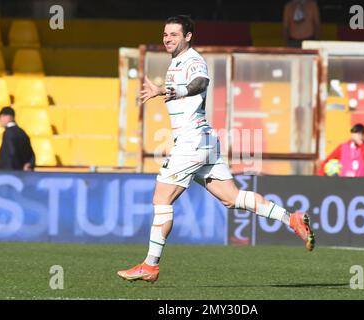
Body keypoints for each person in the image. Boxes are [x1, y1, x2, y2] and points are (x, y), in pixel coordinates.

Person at [117, 15, 315, 284]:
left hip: (191, 141)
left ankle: (150, 265)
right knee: (232, 198)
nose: (167, 38)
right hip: (204, 140)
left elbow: (201, 82)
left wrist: (167, 90)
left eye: (174, 34)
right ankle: (290, 218)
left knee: (161, 199)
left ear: (188, 36)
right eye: (165, 34)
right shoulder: (175, 62)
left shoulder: (193, 60)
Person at [0, 106, 35, 171]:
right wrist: (28, 163)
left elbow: (10, 154)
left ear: (8, 117)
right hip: (19, 173)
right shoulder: (22, 132)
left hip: (9, 172)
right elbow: (30, 154)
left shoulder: (8, 133)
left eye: (0, 116)